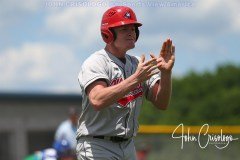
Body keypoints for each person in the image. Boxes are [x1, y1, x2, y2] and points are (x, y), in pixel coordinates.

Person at [77, 6, 175, 160]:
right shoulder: (96, 62)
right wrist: (135, 79)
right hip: (97, 145)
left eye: (133, 28)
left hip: (128, 146)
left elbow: (162, 103)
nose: (131, 32)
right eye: (124, 29)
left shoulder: (136, 64)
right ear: (108, 34)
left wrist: (166, 73)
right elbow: (97, 99)